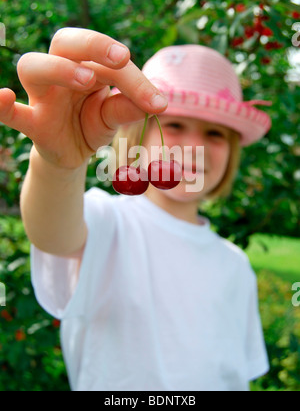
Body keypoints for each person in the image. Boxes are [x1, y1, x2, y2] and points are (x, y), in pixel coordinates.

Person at [0, 28, 271, 391]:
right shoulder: (108, 222)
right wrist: (59, 167)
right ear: (136, 135)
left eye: (215, 134)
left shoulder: (235, 264)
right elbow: (54, 234)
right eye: (173, 124)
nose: (194, 146)